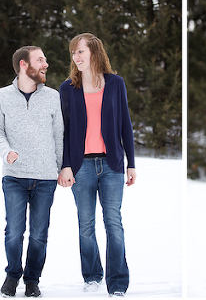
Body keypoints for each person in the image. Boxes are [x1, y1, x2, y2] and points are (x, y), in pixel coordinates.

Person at [58, 33, 136, 297]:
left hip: (112, 164)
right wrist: (65, 165)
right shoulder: (67, 88)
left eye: (80, 51)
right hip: (81, 167)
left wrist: (131, 163)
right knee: (86, 225)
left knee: (113, 223)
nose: (76, 57)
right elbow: (64, 131)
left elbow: (126, 123)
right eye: (73, 53)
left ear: (94, 52)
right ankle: (92, 276)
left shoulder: (115, 83)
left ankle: (117, 283)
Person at [0, 46, 63, 298]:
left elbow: (59, 135)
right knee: (14, 231)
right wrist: (5, 151)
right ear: (24, 64)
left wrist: (63, 167)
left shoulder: (53, 96)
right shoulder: (1, 96)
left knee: (39, 234)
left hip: (45, 177)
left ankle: (32, 280)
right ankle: (12, 275)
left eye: (45, 59)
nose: (46, 64)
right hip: (14, 175)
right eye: (40, 60)